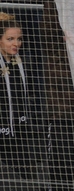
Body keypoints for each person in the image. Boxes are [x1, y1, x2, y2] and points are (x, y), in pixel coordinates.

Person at [0, 14, 41, 180]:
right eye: (10, 39)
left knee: (23, 178)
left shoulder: (20, 62)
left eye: (19, 39)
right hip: (2, 133)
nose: (16, 43)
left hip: (19, 133)